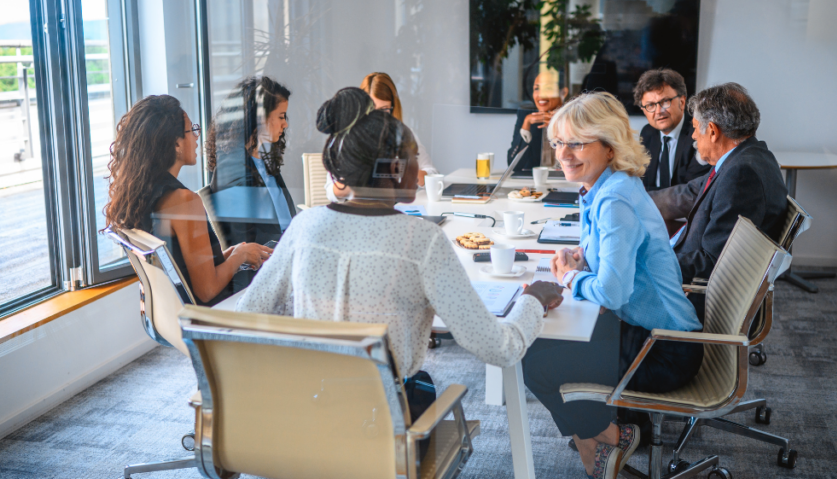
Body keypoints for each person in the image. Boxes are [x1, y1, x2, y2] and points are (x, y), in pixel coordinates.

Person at [236, 87, 563, 412]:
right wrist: (533, 299)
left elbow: (246, 317)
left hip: (308, 417)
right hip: (385, 429)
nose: (419, 167)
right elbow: (499, 348)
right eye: (413, 159)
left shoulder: (304, 226)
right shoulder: (421, 240)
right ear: (392, 169)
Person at [520, 92, 704, 479]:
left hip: (663, 348)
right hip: (644, 330)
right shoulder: (606, 187)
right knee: (538, 346)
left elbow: (612, 293)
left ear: (608, 146)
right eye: (558, 143)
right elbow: (611, 265)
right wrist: (583, 262)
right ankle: (604, 435)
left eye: (576, 143)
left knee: (534, 361)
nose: (564, 154)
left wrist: (569, 276)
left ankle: (604, 441)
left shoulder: (614, 199)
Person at [105, 95, 270, 305]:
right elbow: (207, 290)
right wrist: (239, 256)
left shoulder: (140, 195)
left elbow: (186, 269)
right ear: (176, 143)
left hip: (176, 313)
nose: (196, 137)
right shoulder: (183, 202)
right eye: (192, 130)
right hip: (214, 314)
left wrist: (235, 253)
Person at [650, 83, 788, 291]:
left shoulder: (741, 175)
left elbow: (713, 261)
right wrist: (635, 201)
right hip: (687, 266)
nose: (693, 136)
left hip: (694, 293)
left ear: (713, 131)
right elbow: (691, 192)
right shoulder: (747, 157)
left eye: (695, 128)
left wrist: (649, 264)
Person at [206, 76, 296, 246]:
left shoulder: (263, 160)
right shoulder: (233, 168)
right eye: (281, 116)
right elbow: (244, 243)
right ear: (260, 117)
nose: (285, 124)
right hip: (266, 263)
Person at [326, 72, 438, 202]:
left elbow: (433, 174)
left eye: (384, 109)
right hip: (360, 212)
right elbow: (330, 192)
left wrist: (410, 172)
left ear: (393, 108)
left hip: (396, 211)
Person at [634, 68, 711, 192]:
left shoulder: (699, 133)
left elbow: (692, 191)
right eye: (651, 105)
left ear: (682, 102)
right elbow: (642, 183)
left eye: (665, 101)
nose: (658, 111)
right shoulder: (647, 133)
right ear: (643, 110)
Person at [507, 70, 569, 175]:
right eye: (537, 88)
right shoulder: (526, 116)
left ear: (563, 93)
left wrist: (563, 124)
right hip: (535, 182)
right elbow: (513, 165)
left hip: (567, 180)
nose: (541, 95)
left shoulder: (573, 116)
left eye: (548, 88)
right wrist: (526, 124)